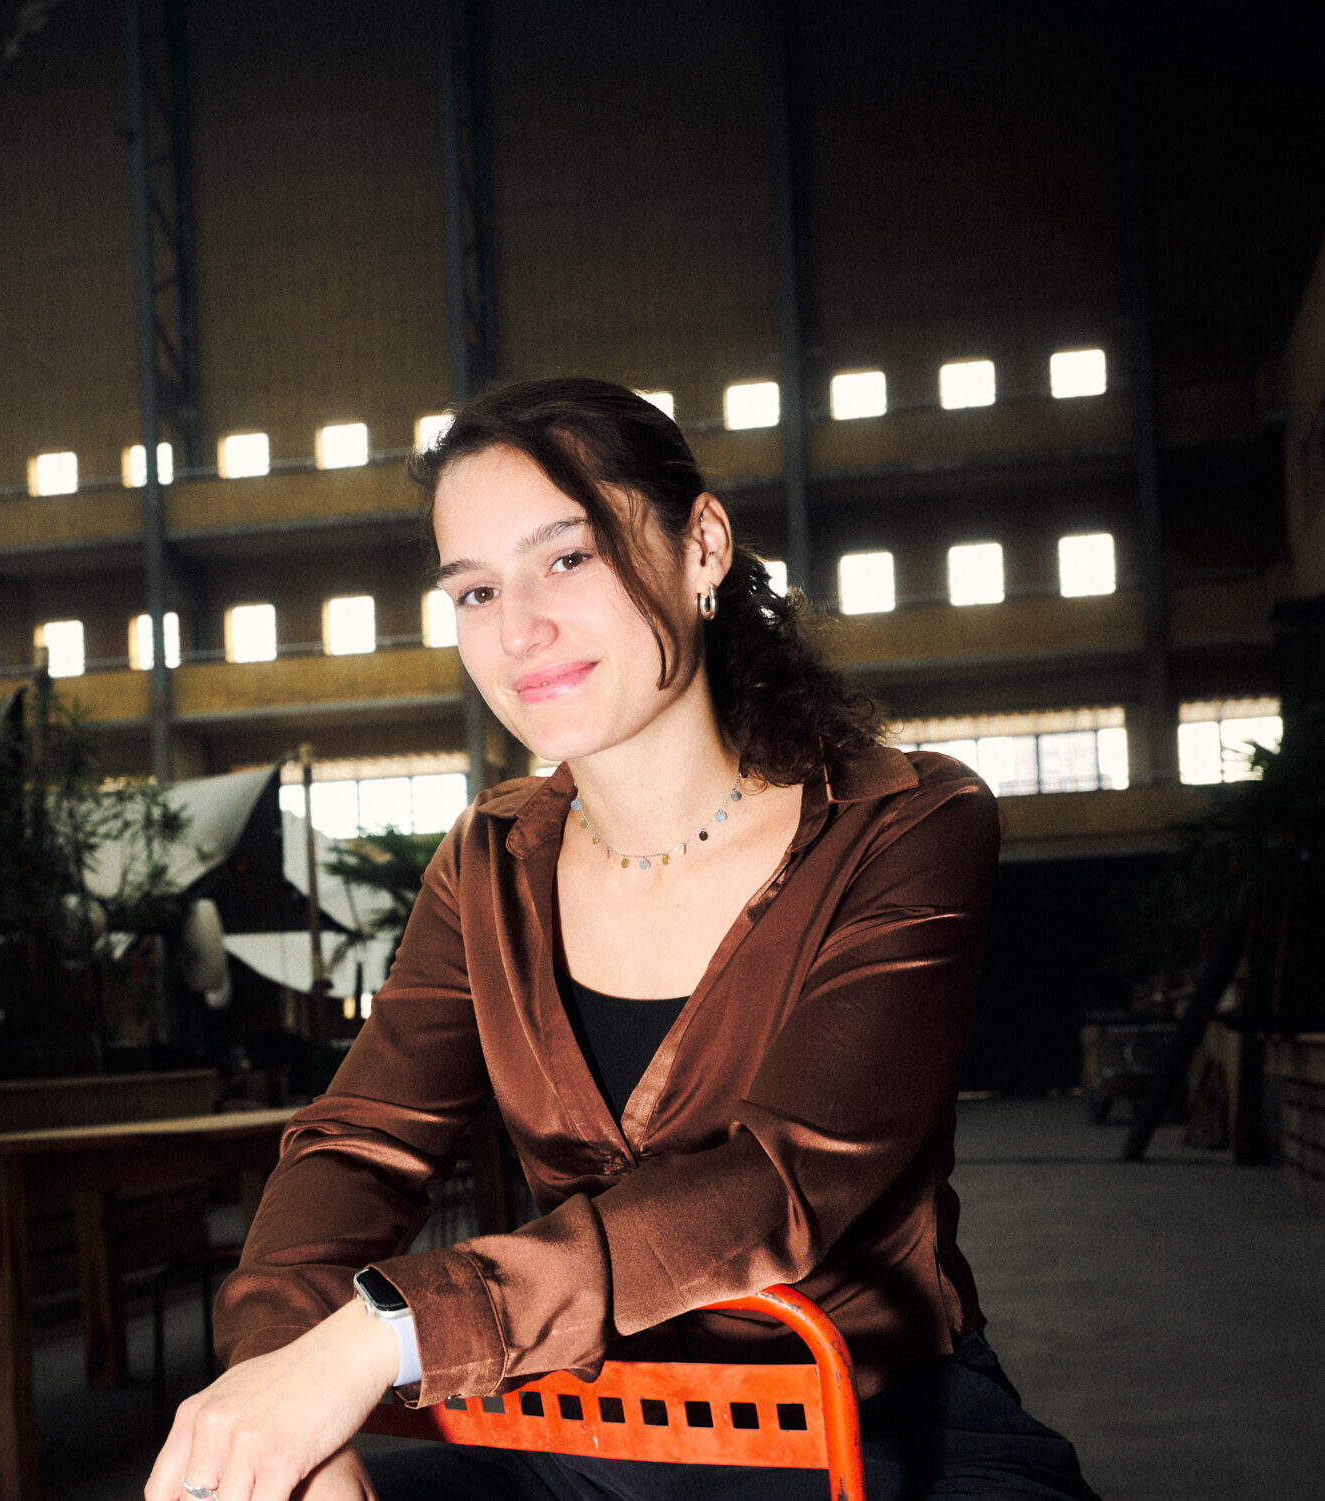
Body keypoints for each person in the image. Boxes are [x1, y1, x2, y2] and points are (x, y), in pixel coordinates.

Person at [147, 378, 1101, 1501]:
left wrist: (383, 1334)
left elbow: (782, 1182)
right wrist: (277, 1390)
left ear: (702, 546)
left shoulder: (904, 821)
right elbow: (357, 1145)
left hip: (873, 1425)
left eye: (569, 558)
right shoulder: (489, 861)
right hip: (582, 1438)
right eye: (474, 590)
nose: (518, 630)